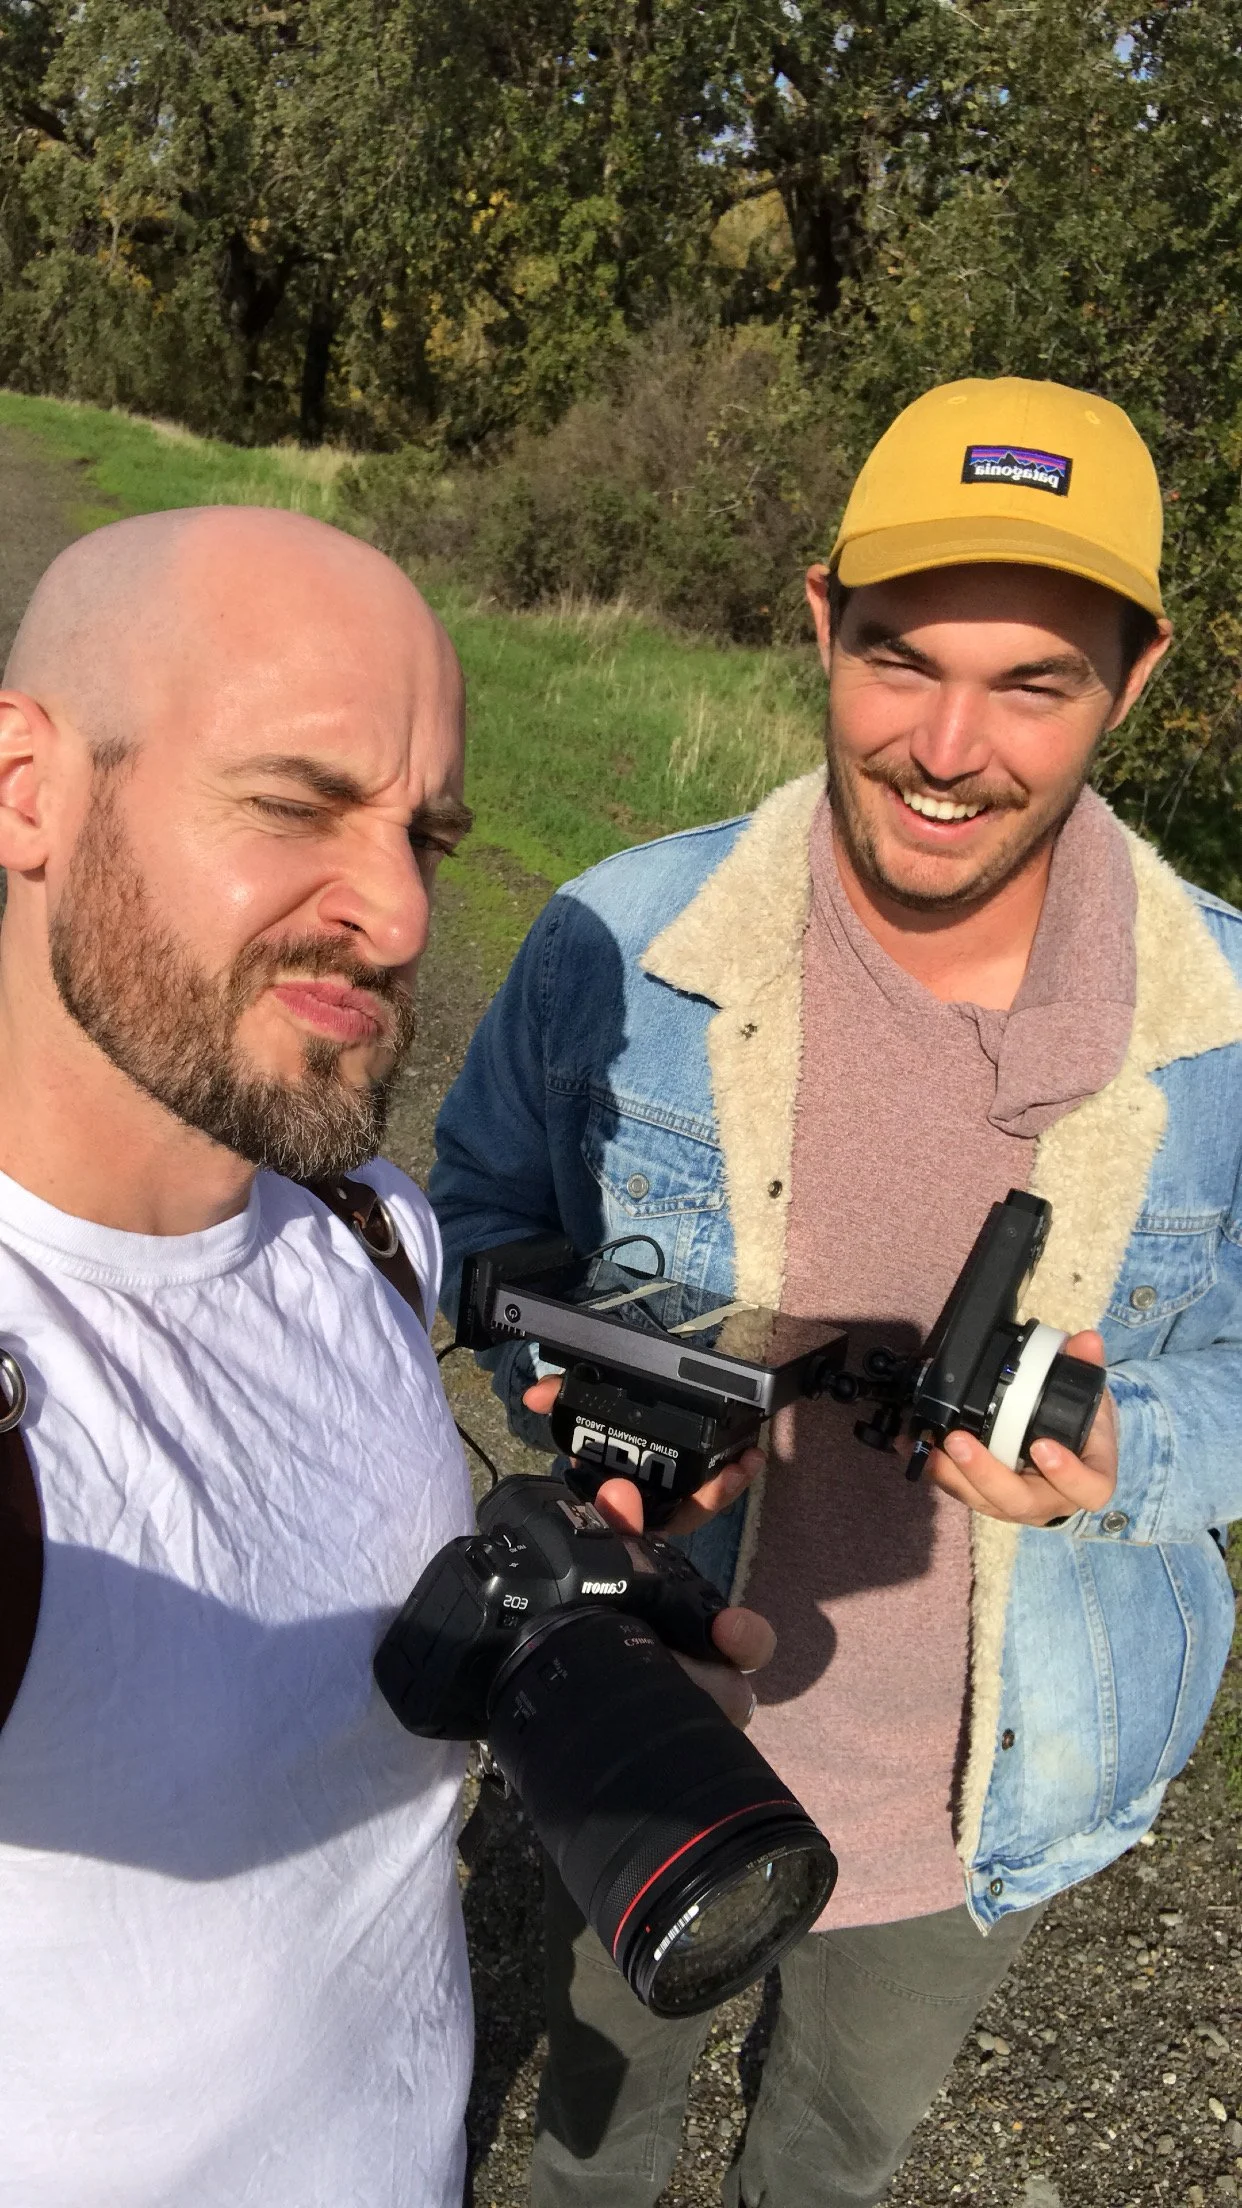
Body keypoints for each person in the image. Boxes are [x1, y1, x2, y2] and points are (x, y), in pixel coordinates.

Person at [431, 375, 1242, 2207]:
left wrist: (1131, 1438)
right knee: (580, 2151)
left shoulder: (1223, 1031)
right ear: (818, 619)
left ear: (1135, 676)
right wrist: (576, 1390)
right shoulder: (612, 947)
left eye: (1032, 682)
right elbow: (483, 1214)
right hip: (649, 1727)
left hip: (991, 1807)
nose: (947, 747)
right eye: (898, 659)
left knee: (830, 2162)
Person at [0, 503, 768, 2208]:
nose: (405, 916)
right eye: (293, 803)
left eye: (428, 834)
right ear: (27, 785)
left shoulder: (364, 1227)